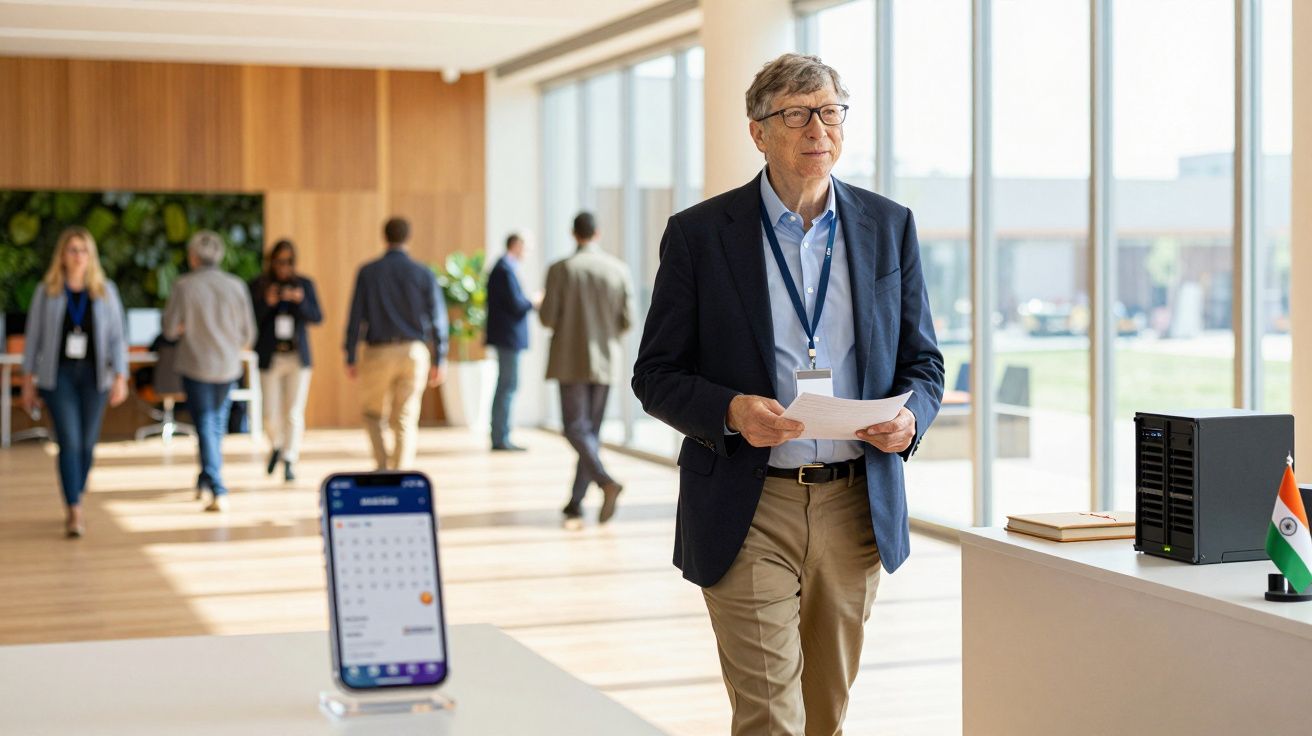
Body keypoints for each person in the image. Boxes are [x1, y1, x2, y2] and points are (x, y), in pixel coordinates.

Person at [631, 53, 945, 735]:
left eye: (830, 112)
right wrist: (731, 411)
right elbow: (655, 373)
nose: (818, 130)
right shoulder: (700, 235)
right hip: (749, 503)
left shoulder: (889, 226)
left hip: (855, 506)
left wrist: (910, 420)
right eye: (797, 115)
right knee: (771, 715)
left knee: (825, 714)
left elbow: (924, 363)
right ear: (758, 132)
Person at [19, 226, 130, 537]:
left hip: (95, 376)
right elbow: (33, 338)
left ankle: (76, 490)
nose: (78, 256)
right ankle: (74, 508)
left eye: (83, 250)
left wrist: (121, 377)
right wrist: (27, 381)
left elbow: (117, 337)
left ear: (91, 256)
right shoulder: (48, 291)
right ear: (62, 256)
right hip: (59, 376)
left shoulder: (105, 291)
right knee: (69, 441)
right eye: (72, 250)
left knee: (87, 443)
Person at [539, 212, 632, 530]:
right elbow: (628, 321)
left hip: (570, 359)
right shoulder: (618, 269)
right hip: (605, 361)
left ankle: (606, 482)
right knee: (589, 432)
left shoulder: (560, 269)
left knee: (575, 430)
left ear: (573, 233)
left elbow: (547, 318)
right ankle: (575, 501)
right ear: (598, 233)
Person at [163, 230, 257, 512]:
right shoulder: (236, 286)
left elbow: (169, 329)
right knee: (216, 424)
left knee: (205, 423)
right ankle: (206, 478)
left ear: (193, 257)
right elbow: (248, 334)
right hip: (228, 365)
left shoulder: (184, 286)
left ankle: (217, 486)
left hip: (196, 364)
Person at [344, 217, 448, 471]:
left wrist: (350, 354)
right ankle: (399, 472)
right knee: (405, 416)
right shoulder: (423, 273)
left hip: (377, 352)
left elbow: (355, 316)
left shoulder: (368, 272)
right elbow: (438, 318)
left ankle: (382, 467)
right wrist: (440, 358)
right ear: (408, 237)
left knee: (372, 413)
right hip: (413, 352)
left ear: (385, 237)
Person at [249, 239, 322, 482]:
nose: (284, 267)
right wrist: (267, 303)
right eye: (279, 261)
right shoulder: (259, 285)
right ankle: (277, 445)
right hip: (271, 356)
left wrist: (300, 301)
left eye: (288, 262)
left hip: (297, 357)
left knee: (294, 411)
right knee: (269, 413)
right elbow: (250, 320)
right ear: (272, 262)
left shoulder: (304, 285)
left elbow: (317, 316)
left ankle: (290, 458)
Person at [485, 233, 536, 451]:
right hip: (507, 338)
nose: (528, 252)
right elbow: (516, 304)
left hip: (506, 337)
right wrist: (534, 301)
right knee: (508, 385)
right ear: (516, 245)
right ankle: (501, 437)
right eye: (526, 247)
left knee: (507, 384)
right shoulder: (504, 270)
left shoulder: (504, 268)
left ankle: (501, 435)